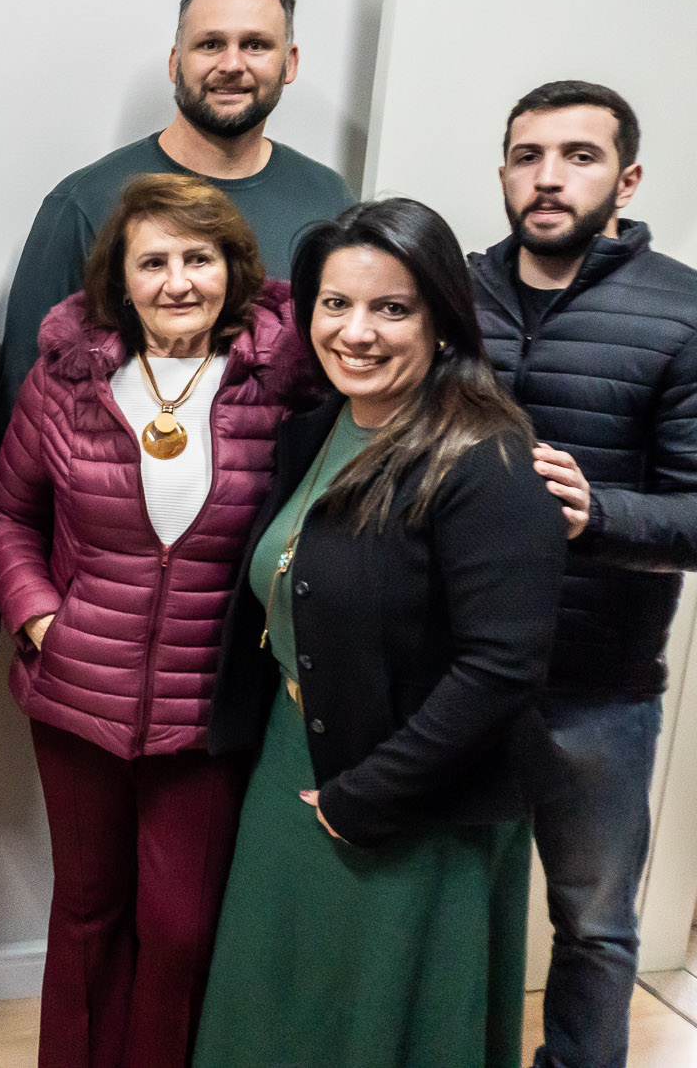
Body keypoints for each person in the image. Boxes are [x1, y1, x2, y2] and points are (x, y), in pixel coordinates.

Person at [192, 198, 566, 1068]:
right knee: (275, 1004)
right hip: (293, 756)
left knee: (382, 1024)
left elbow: (501, 668)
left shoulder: (488, 457)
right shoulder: (318, 428)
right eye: (336, 303)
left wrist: (367, 795)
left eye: (391, 307)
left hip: (411, 797)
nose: (356, 331)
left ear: (441, 319)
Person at [0, 173, 312, 1067]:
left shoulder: (281, 385)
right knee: (87, 911)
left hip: (208, 708)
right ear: (120, 280)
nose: (177, 281)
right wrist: (40, 619)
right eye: (153, 261)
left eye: (199, 258)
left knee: (180, 927)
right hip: (76, 692)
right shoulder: (67, 381)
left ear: (233, 269)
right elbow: (7, 511)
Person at [469, 81, 697, 1068]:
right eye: (527, 155)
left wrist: (594, 514)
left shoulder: (682, 310)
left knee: (595, 926)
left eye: (578, 155)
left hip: (598, 687)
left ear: (626, 179)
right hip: (454, 670)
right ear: (503, 171)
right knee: (444, 901)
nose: (548, 177)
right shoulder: (454, 293)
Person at [0, 0, 352, 402]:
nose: (232, 64)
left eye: (255, 45)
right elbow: (27, 396)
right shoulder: (86, 201)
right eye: (210, 44)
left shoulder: (328, 199)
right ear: (175, 62)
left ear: (290, 62)